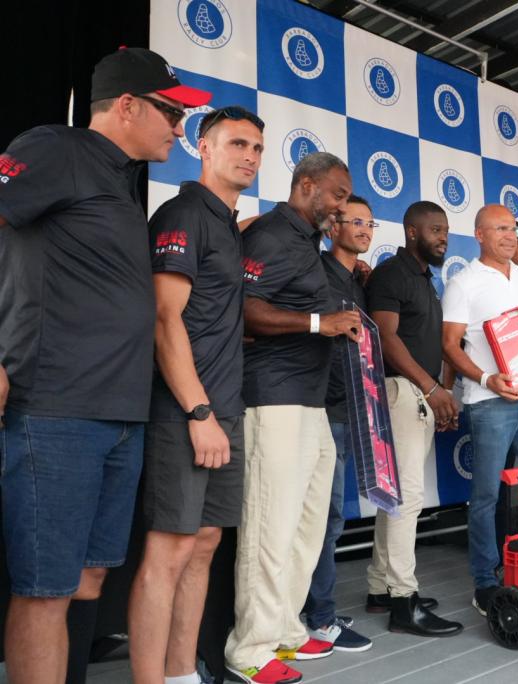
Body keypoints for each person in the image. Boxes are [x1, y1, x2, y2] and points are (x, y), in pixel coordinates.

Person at [0, 47, 210, 684]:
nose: (180, 127)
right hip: (55, 410)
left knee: (89, 576)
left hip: (121, 415)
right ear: (127, 106)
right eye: (172, 112)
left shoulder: (119, 180)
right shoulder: (56, 148)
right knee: (45, 589)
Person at [126, 106, 263, 684]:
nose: (249, 156)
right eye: (236, 144)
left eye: (256, 148)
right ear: (203, 149)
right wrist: (198, 410)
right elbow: (164, 318)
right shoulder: (183, 213)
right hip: (185, 411)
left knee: (205, 543)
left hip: (223, 409)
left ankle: (182, 672)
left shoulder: (227, 223)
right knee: (170, 551)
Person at [224, 152, 364, 684]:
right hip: (273, 398)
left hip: (311, 401)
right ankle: (250, 647)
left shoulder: (307, 242)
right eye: (337, 195)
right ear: (306, 185)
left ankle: (285, 627)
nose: (342, 207)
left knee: (307, 525)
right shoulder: (271, 235)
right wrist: (317, 323)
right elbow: (243, 308)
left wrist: (335, 322)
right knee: (270, 527)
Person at [441, 204, 518, 616]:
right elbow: (449, 345)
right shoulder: (463, 283)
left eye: (515, 229)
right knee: (486, 496)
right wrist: (485, 378)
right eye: (501, 229)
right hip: (490, 403)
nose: (512, 236)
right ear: (479, 235)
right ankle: (486, 582)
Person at [363, 200, 463, 637]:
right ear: (411, 231)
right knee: (406, 498)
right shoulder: (391, 274)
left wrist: (439, 393)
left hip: (418, 395)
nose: (443, 238)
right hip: (401, 391)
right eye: (435, 230)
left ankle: (381, 587)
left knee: (396, 496)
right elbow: (385, 338)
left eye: (446, 231)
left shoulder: (426, 279)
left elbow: (428, 342)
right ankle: (404, 600)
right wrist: (431, 389)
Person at [301, 196, 377, 652]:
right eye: (356, 221)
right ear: (333, 227)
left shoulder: (357, 278)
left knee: (330, 519)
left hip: (348, 411)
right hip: (320, 410)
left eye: (370, 223)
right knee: (322, 519)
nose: (365, 229)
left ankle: (316, 609)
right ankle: (320, 619)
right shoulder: (316, 269)